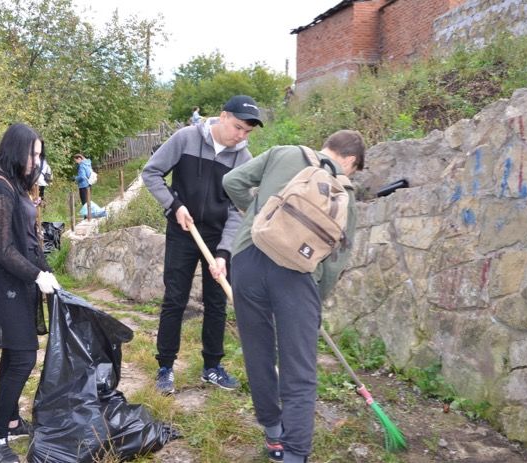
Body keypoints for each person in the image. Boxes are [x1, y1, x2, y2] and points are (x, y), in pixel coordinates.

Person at [222, 130, 366, 463]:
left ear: (327, 145)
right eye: (354, 169)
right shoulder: (345, 191)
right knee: (298, 368)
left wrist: (258, 215)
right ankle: (295, 453)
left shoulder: (283, 152)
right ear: (351, 161)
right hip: (297, 275)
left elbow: (232, 181)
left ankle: (273, 436)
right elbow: (335, 261)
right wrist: (316, 300)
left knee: (258, 352)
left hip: (247, 258)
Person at [142, 95, 263, 394]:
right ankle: (165, 367)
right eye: (237, 127)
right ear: (223, 117)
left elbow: (238, 211)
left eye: (247, 132)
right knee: (175, 299)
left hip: (217, 235)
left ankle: (212, 367)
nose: (241, 136)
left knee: (216, 302)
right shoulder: (185, 139)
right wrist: (174, 205)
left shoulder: (244, 161)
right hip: (183, 231)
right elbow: (151, 173)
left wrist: (223, 253)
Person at [0, 123, 61, 463]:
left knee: (14, 355)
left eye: (40, 154)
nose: (37, 161)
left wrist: (44, 271)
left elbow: (27, 236)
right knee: (23, 357)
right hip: (4, 286)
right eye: (33, 154)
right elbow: (2, 248)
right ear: (15, 150)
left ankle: (10, 421)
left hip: (20, 282)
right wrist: (37, 274)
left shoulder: (14, 184)